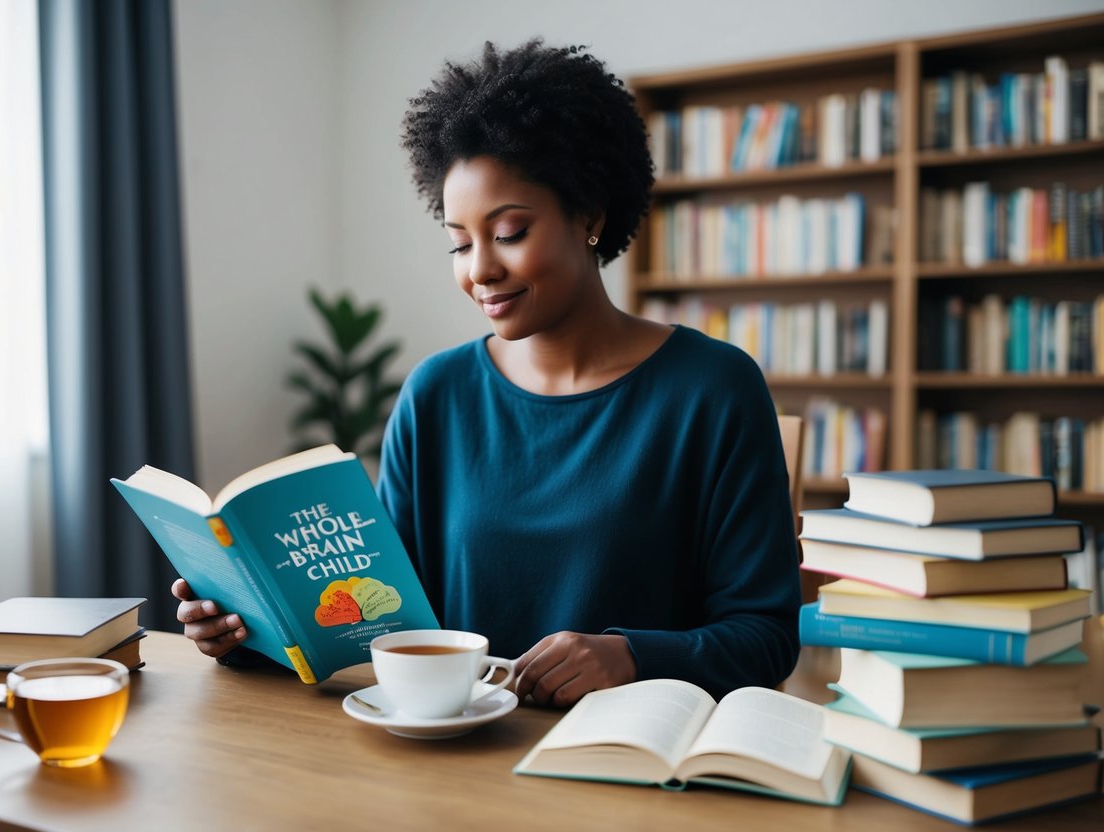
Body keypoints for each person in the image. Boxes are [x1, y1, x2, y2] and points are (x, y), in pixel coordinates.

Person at [174, 39, 801, 707]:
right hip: (452, 753)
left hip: (624, 756)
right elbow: (383, 620)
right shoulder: (436, 395)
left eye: (507, 233)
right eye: (458, 240)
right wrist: (247, 634)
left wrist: (629, 655)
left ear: (589, 217)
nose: (478, 270)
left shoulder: (711, 388)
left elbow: (765, 637)